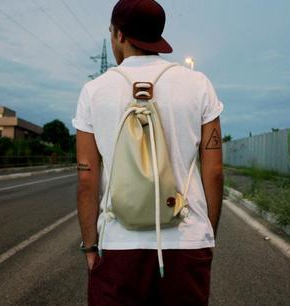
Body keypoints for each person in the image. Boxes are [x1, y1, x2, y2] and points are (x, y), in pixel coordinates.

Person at [72, 0, 224, 305]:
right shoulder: (199, 85)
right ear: (157, 37)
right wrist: (205, 232)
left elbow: (87, 176)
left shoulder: (94, 92)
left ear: (120, 36)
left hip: (119, 243)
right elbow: (215, 172)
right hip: (187, 241)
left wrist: (90, 246)